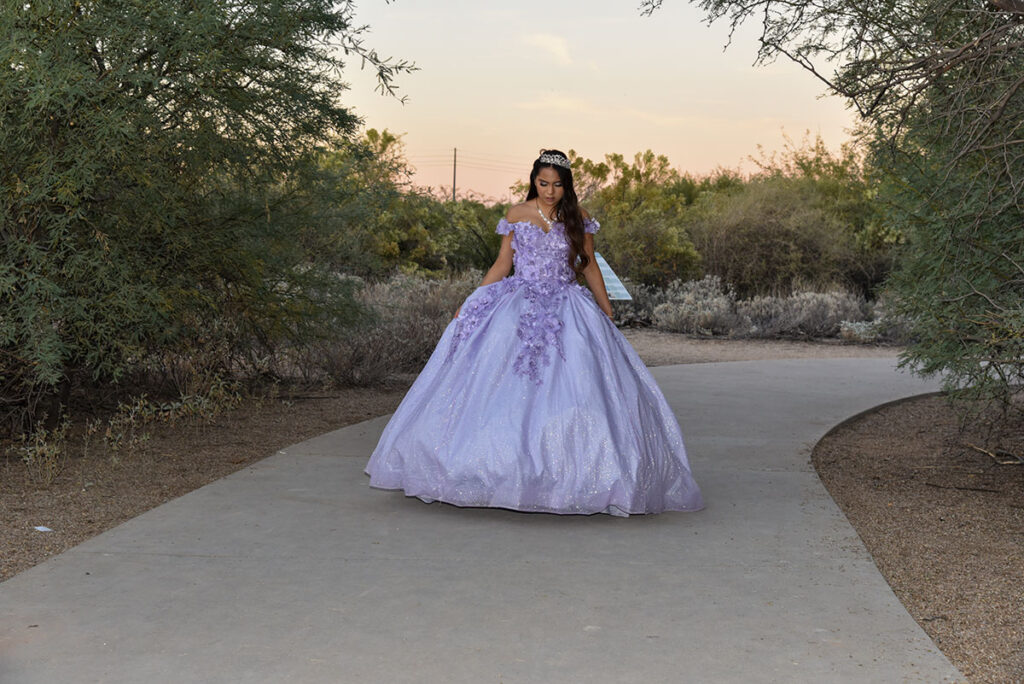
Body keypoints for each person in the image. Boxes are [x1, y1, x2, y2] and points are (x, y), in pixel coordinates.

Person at [364, 149, 704, 516]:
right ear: (533, 181)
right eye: (543, 183)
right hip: (517, 305)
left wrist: (605, 308)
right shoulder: (516, 215)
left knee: (578, 386)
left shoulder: (579, 219)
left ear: (566, 186)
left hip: (566, 308)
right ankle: (495, 469)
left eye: (557, 184)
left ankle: (579, 473)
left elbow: (588, 266)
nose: (549, 191)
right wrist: (473, 298)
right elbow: (502, 264)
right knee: (500, 385)